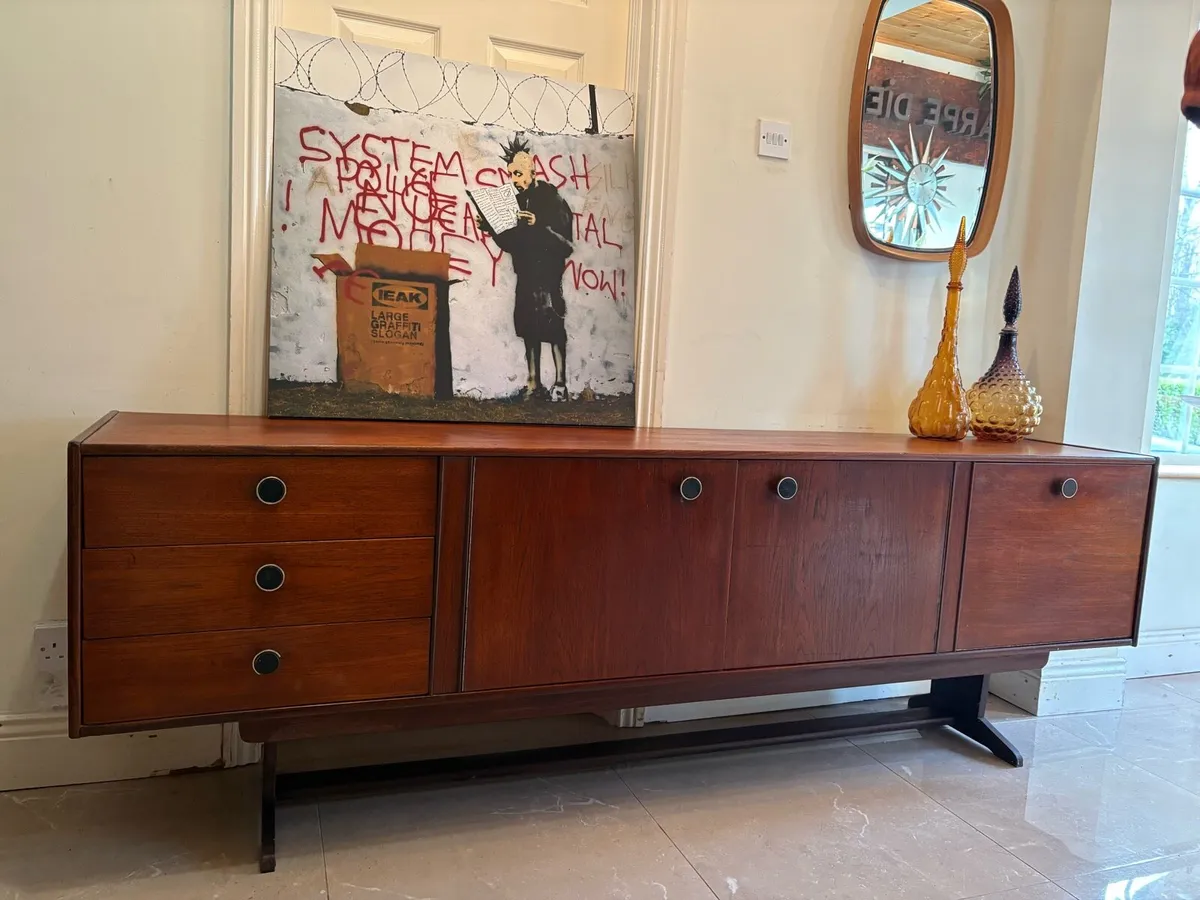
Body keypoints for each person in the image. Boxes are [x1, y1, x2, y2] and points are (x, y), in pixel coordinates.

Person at [478, 136, 574, 401]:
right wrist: (491, 229)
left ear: (533, 171)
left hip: (548, 277)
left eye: (519, 174)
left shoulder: (553, 199)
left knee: (554, 329)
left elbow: (566, 244)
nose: (515, 180)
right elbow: (512, 244)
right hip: (527, 276)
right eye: (511, 175)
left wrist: (539, 224)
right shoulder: (516, 202)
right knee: (528, 329)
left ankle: (561, 384)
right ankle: (533, 382)